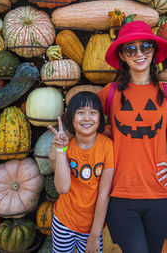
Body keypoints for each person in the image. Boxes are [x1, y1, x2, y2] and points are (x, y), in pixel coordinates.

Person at [97, 21, 167, 253]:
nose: (139, 54)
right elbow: (84, 122)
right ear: (122, 56)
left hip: (161, 196)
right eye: (131, 49)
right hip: (121, 196)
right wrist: (61, 144)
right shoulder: (110, 93)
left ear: (154, 52)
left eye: (145, 47)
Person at [48, 91, 114, 253]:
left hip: (93, 228)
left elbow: (104, 194)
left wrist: (94, 235)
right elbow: (62, 188)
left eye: (93, 113)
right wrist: (60, 150)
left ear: (100, 119)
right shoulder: (66, 146)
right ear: (71, 117)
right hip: (64, 222)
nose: (86, 118)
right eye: (80, 113)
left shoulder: (107, 147)